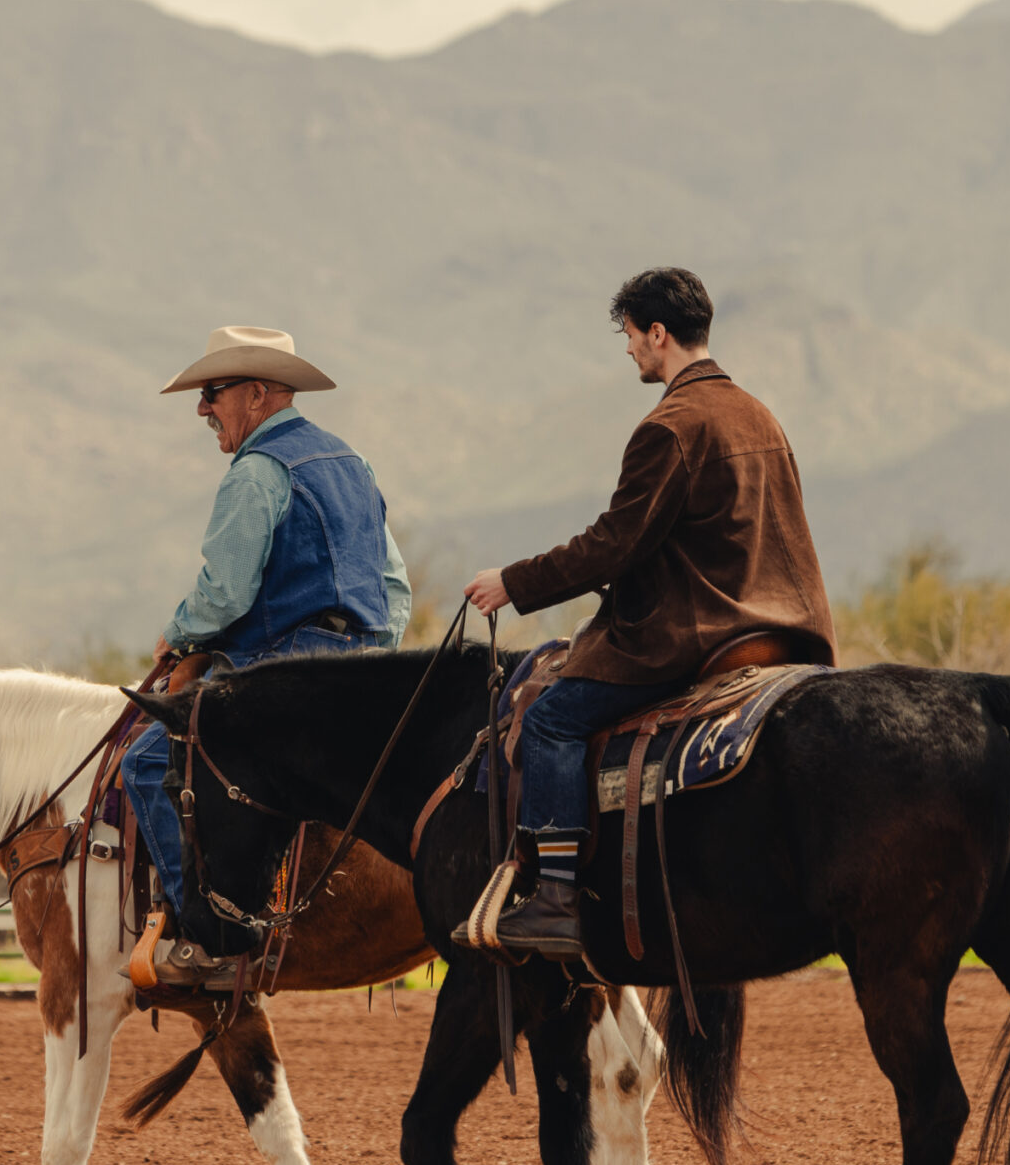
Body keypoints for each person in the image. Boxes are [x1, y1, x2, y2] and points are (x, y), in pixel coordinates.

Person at [461, 268, 834, 957]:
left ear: (657, 333)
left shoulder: (670, 425)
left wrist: (512, 583)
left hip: (702, 634)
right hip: (786, 631)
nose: (629, 350)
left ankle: (557, 897)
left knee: (549, 721)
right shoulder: (759, 413)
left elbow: (612, 546)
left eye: (630, 336)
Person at [121, 325, 411, 991]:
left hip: (286, 667)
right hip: (361, 664)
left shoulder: (256, 472)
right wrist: (370, 664)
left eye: (211, 393)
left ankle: (202, 936)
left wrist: (179, 636)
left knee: (146, 761)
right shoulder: (351, 464)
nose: (202, 408)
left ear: (256, 394)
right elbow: (395, 586)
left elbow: (224, 593)